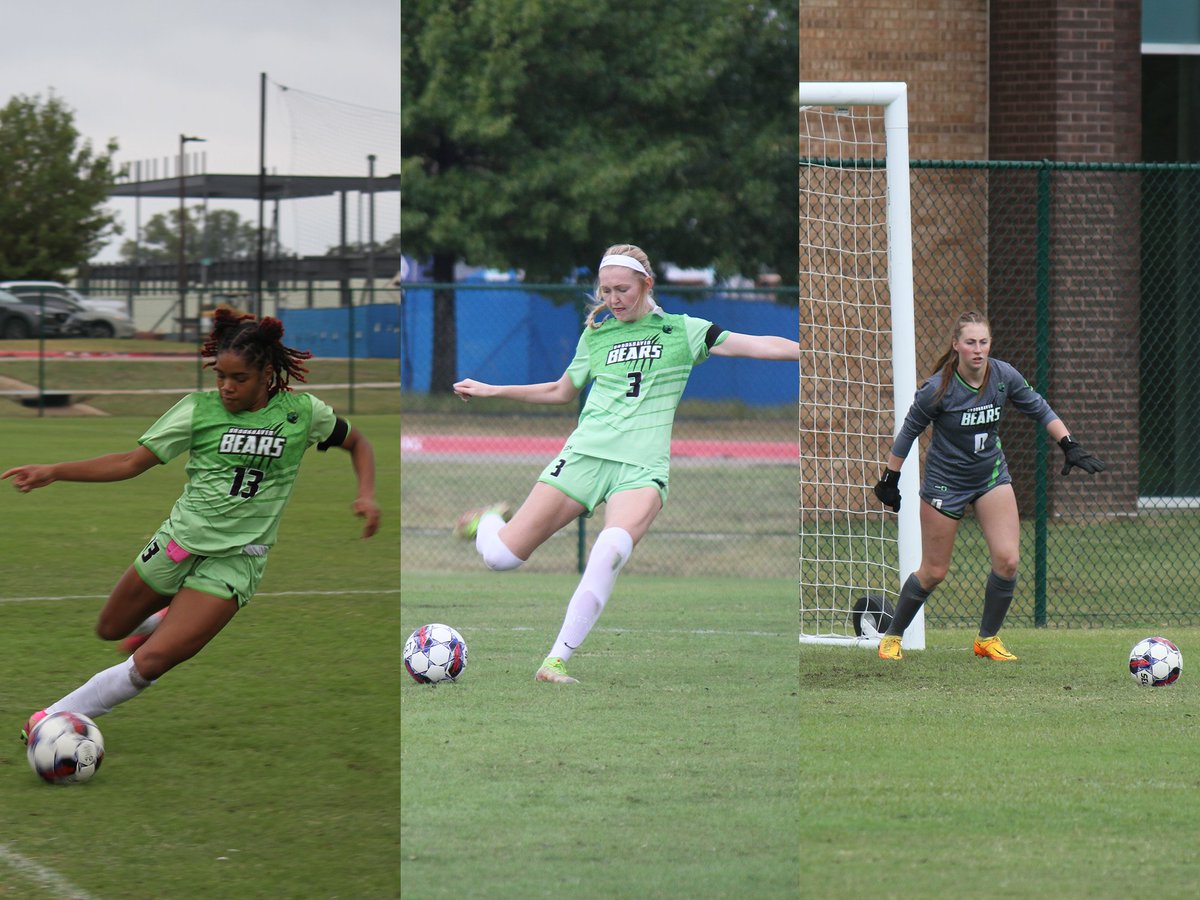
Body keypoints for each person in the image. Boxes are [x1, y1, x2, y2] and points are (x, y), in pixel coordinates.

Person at [5, 309, 380, 743]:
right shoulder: (198, 410)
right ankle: (167, 616)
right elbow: (131, 462)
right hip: (177, 544)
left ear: (266, 373)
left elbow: (358, 442)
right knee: (110, 628)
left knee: (151, 662)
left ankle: (50, 719)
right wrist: (55, 470)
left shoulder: (302, 413)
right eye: (220, 374)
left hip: (237, 562)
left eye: (238, 377)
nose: (225, 386)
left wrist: (367, 493)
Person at [452, 244, 799, 684]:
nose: (613, 299)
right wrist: (491, 390)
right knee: (500, 557)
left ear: (646, 284)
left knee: (611, 548)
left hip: (640, 468)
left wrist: (808, 352)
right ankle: (486, 522)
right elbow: (562, 391)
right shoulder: (596, 336)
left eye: (622, 290)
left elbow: (756, 344)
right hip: (584, 455)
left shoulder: (683, 331)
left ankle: (554, 661)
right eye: (606, 291)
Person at [871, 311, 1104, 661]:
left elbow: (1040, 409)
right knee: (934, 571)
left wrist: (1069, 444)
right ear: (956, 346)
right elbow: (908, 433)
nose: (977, 350)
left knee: (1008, 561)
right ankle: (892, 636)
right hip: (945, 484)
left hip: (990, 476)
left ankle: (986, 639)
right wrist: (890, 478)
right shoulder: (937, 389)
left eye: (983, 342)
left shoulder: (1003, 375)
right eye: (970, 343)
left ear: (989, 344)